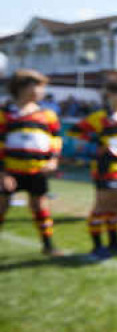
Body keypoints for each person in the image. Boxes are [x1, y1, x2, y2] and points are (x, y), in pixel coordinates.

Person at [69, 76, 117, 259]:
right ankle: (97, 245)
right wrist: (96, 142)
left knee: (115, 207)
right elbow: (74, 131)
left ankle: (114, 242)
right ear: (110, 95)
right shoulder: (100, 117)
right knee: (101, 206)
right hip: (107, 168)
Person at [0, 70, 62, 256]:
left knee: (40, 207)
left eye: (42, 87)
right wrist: (2, 173)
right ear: (20, 88)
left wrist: (53, 160)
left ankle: (48, 245)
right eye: (36, 86)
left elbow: (56, 140)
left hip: (37, 171)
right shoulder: (5, 114)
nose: (40, 91)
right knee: (1, 207)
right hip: (10, 171)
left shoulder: (48, 115)